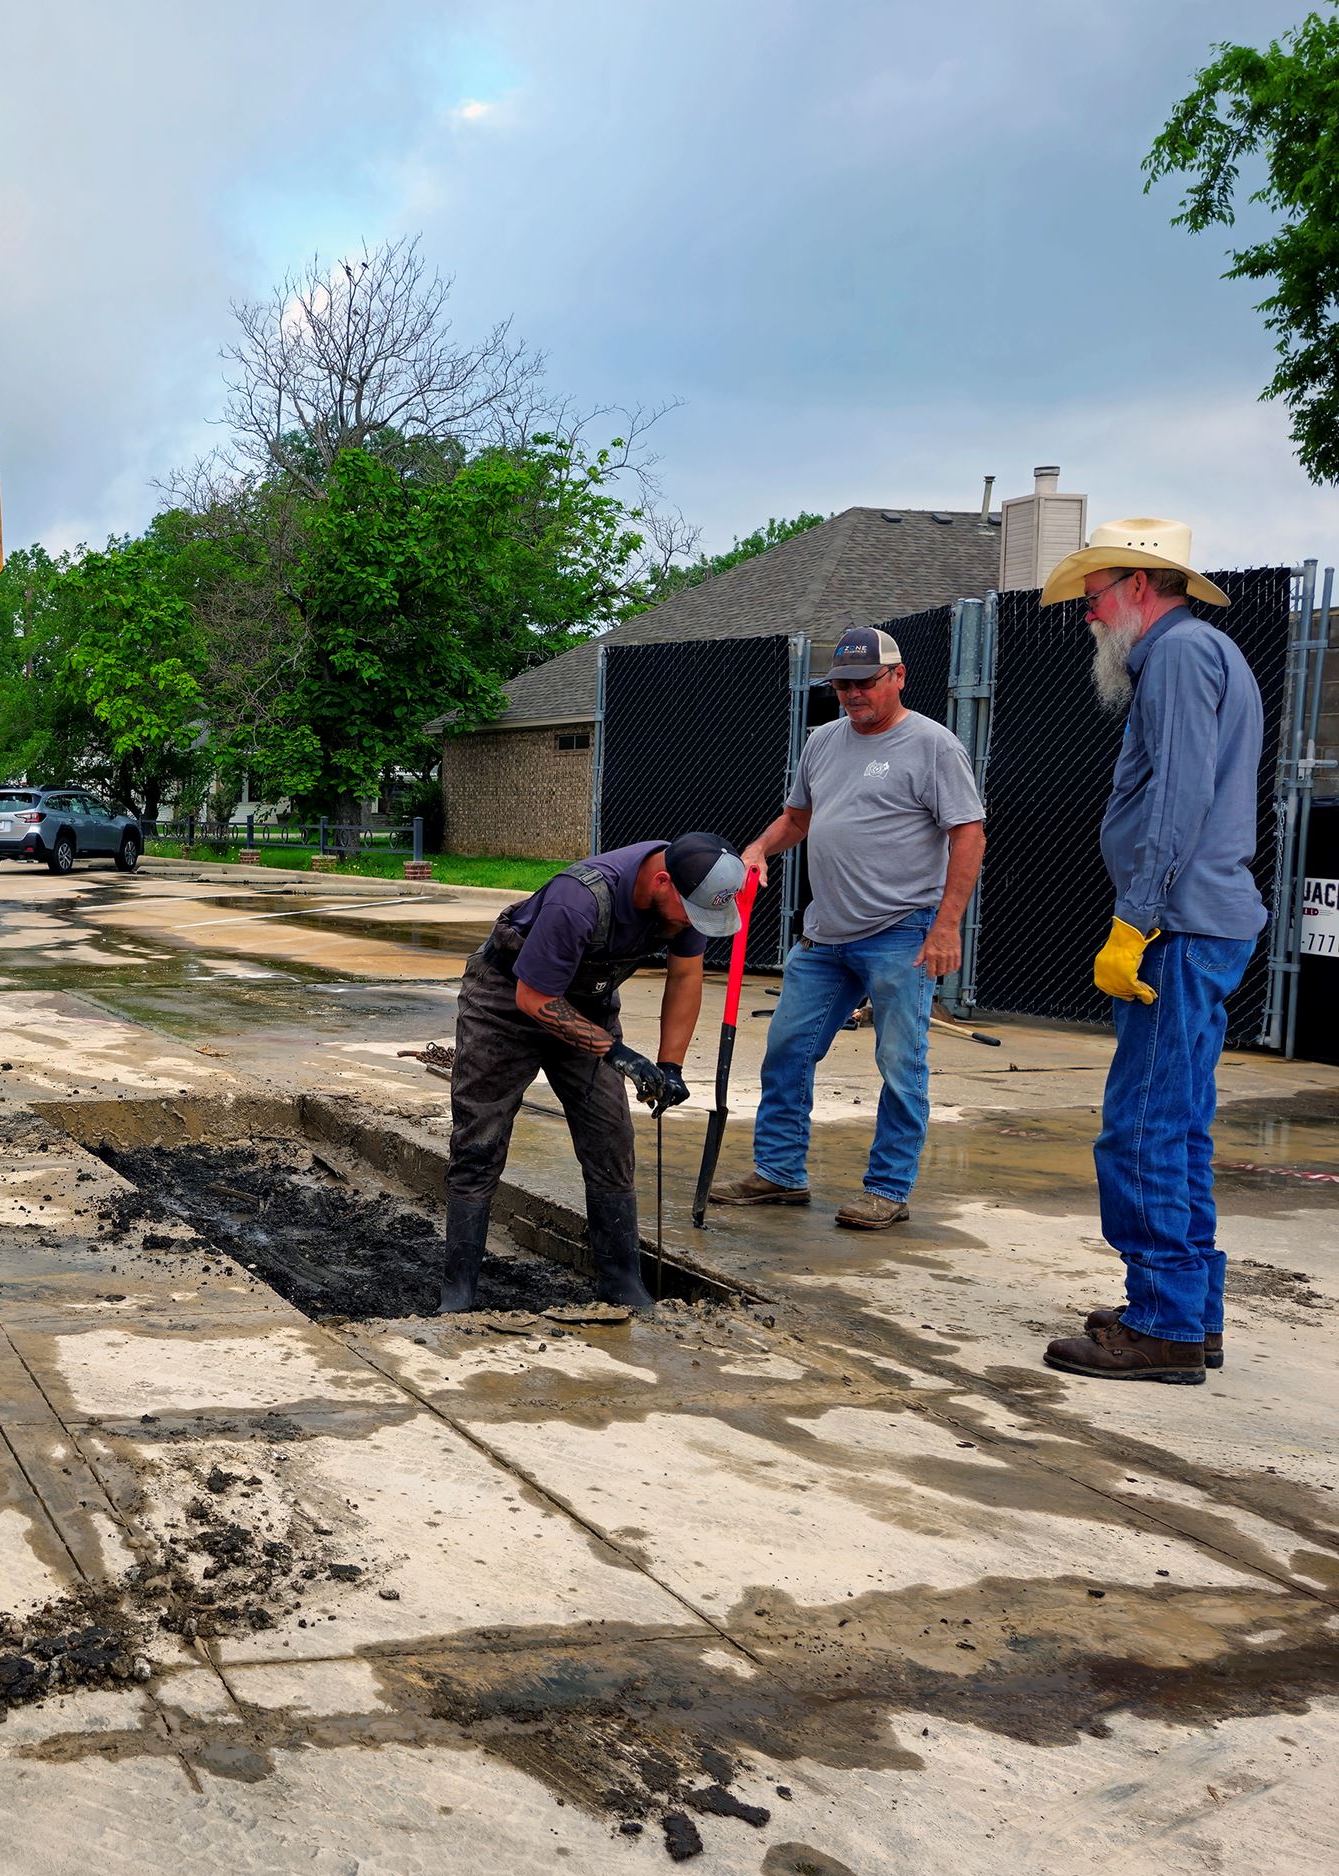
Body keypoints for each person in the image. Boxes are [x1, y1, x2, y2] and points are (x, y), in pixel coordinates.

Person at [1036, 521, 1263, 1386]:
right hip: (1204, 919)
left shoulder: (1176, 654)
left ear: (1138, 584)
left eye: (1094, 598)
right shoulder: (1209, 652)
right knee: (1179, 1125)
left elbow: (1175, 793)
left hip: (1178, 925)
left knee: (1140, 1128)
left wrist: (1136, 918)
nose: (1089, 616)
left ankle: (1164, 1324)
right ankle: (1187, 1313)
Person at [708, 627, 986, 1229]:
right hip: (825, 934)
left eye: (865, 682)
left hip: (901, 932)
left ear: (898, 677)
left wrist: (946, 927)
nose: (853, 695)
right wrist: (759, 848)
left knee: (899, 1061)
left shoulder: (933, 746)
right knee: (786, 1049)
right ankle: (779, 1174)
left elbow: (968, 834)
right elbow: (797, 819)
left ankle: (888, 1188)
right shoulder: (824, 742)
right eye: (842, 685)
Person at [443, 832, 747, 1313]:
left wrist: (669, 1064)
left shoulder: (691, 892)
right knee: (480, 1141)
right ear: (662, 882)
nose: (694, 925)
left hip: (588, 1006)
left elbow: (686, 977)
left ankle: (622, 1283)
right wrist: (622, 1056)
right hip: (505, 1003)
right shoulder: (580, 899)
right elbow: (534, 1000)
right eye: (691, 916)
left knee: (610, 1138)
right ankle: (458, 1292)